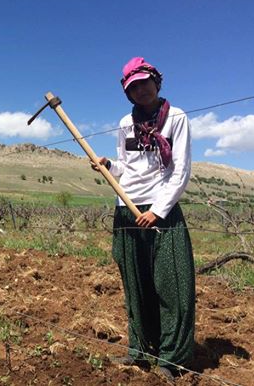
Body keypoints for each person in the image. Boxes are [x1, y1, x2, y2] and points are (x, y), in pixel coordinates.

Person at [92, 57, 195, 380]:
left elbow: (180, 169)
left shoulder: (176, 118)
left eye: (144, 83)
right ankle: (140, 350)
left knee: (172, 286)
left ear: (156, 82)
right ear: (128, 92)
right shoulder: (126, 122)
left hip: (159, 212)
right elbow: (127, 167)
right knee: (135, 284)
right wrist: (109, 167)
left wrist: (158, 210)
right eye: (133, 87)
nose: (140, 90)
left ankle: (172, 359)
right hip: (127, 207)